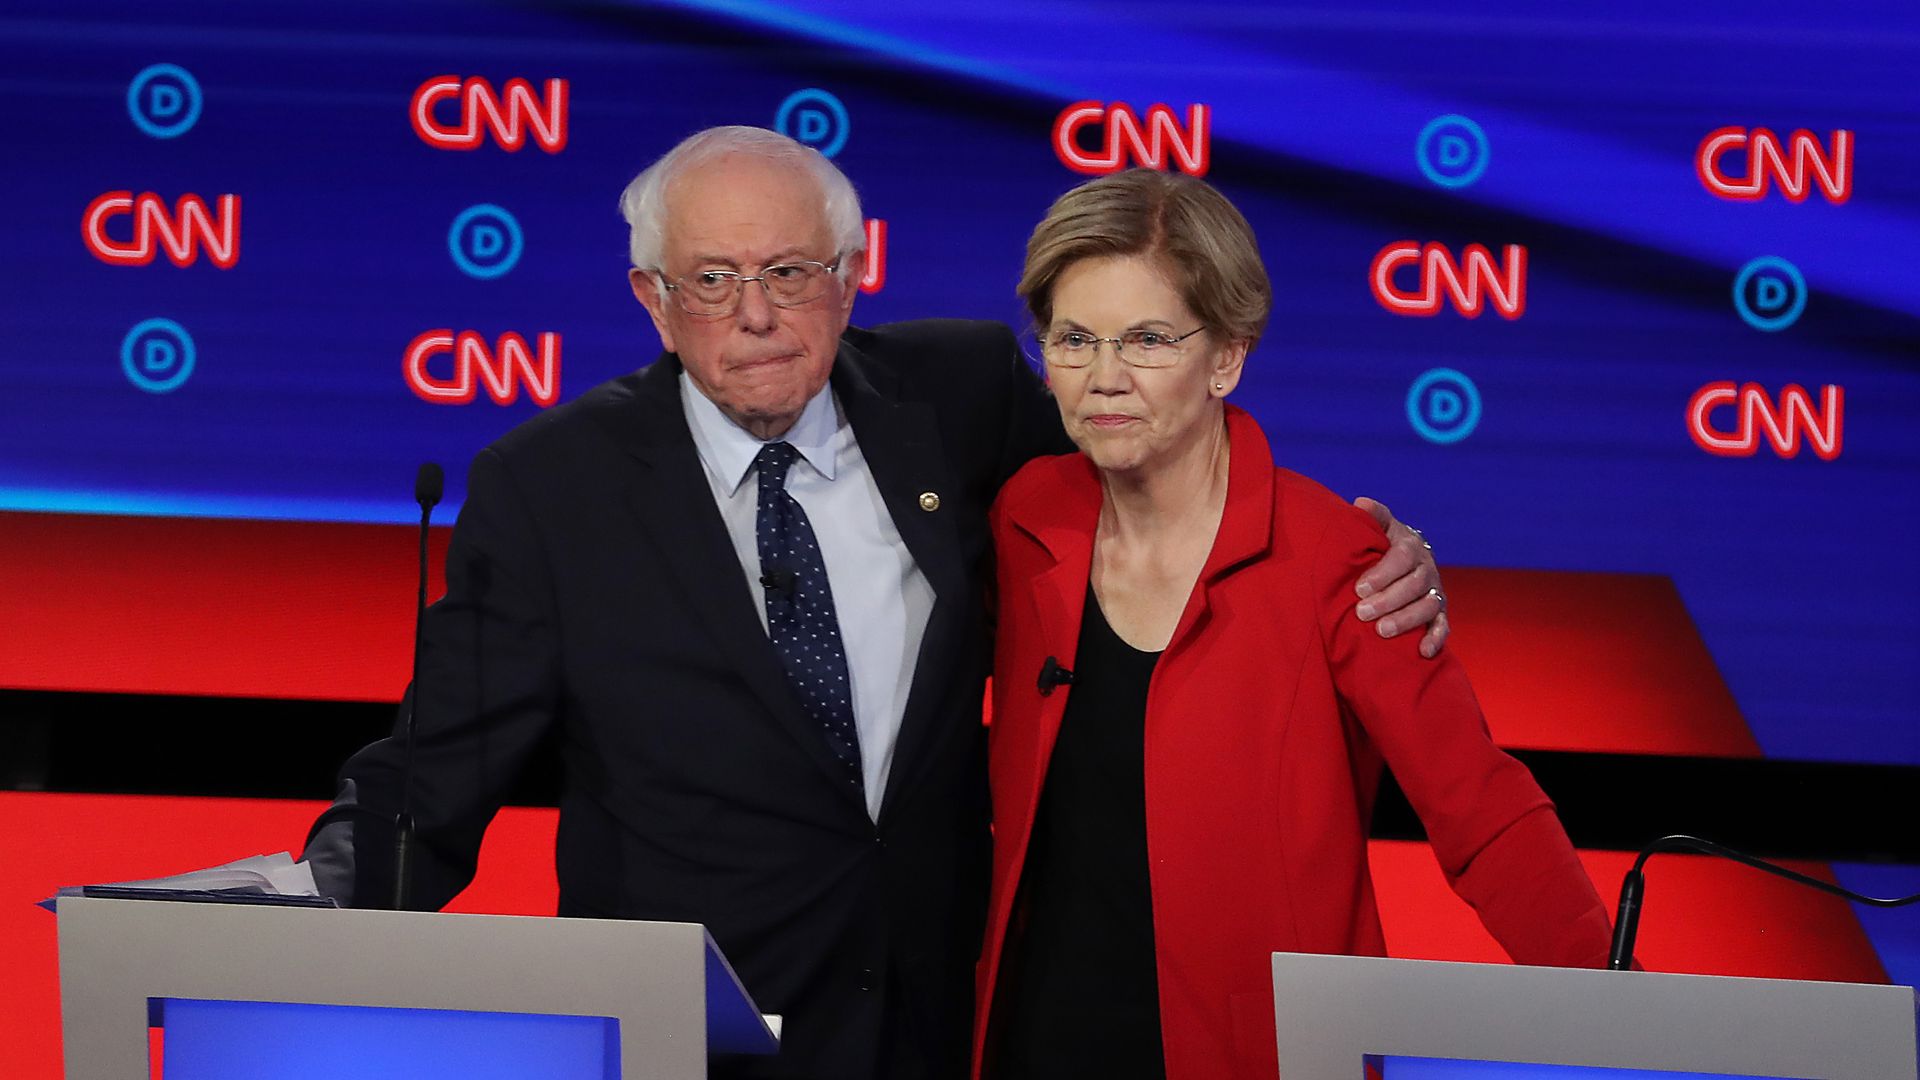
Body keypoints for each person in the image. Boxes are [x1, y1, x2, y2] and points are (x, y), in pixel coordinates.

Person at [301, 128, 1446, 1080]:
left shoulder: (961, 396)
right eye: (712, 279)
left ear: (851, 277)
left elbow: (1158, 468)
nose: (756, 314)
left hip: (938, 1026)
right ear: (653, 300)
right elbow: (439, 769)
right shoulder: (552, 488)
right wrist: (308, 901)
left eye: (791, 272)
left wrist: (1355, 543)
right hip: (697, 1041)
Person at [973, 170, 1613, 1080]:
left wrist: (1621, 1005)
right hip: (1035, 1044)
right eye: (1075, 339)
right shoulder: (1024, 517)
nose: (1104, 378)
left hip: (1261, 1052)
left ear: (1227, 357)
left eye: (1149, 340)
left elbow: (1481, 809)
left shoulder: (1338, 560)